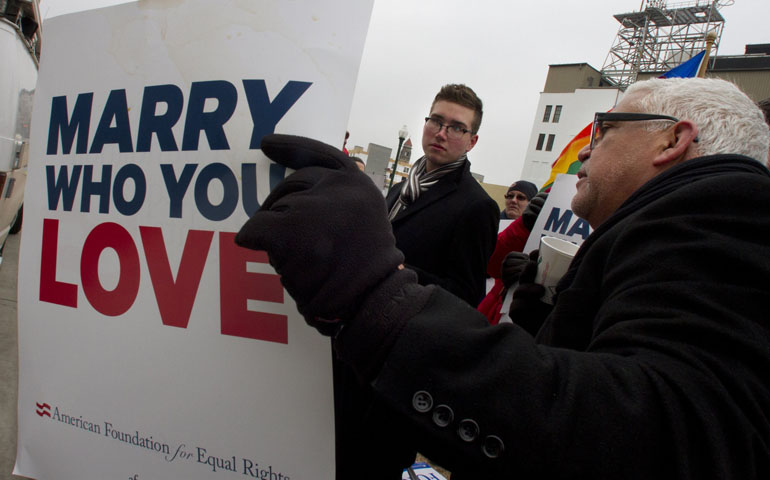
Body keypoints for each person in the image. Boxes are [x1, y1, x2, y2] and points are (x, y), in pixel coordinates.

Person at [236, 77, 770, 478]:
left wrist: (373, 292)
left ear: (673, 141)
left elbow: (666, 437)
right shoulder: (667, 228)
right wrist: (553, 328)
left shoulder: (725, 206)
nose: (584, 149)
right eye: (434, 120)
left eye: (604, 130)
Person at [386, 84, 499, 307]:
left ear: (472, 142)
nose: (440, 133)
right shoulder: (399, 189)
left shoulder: (478, 207)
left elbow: (465, 296)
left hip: (406, 330)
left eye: (456, 128)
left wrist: (395, 269)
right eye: (436, 121)